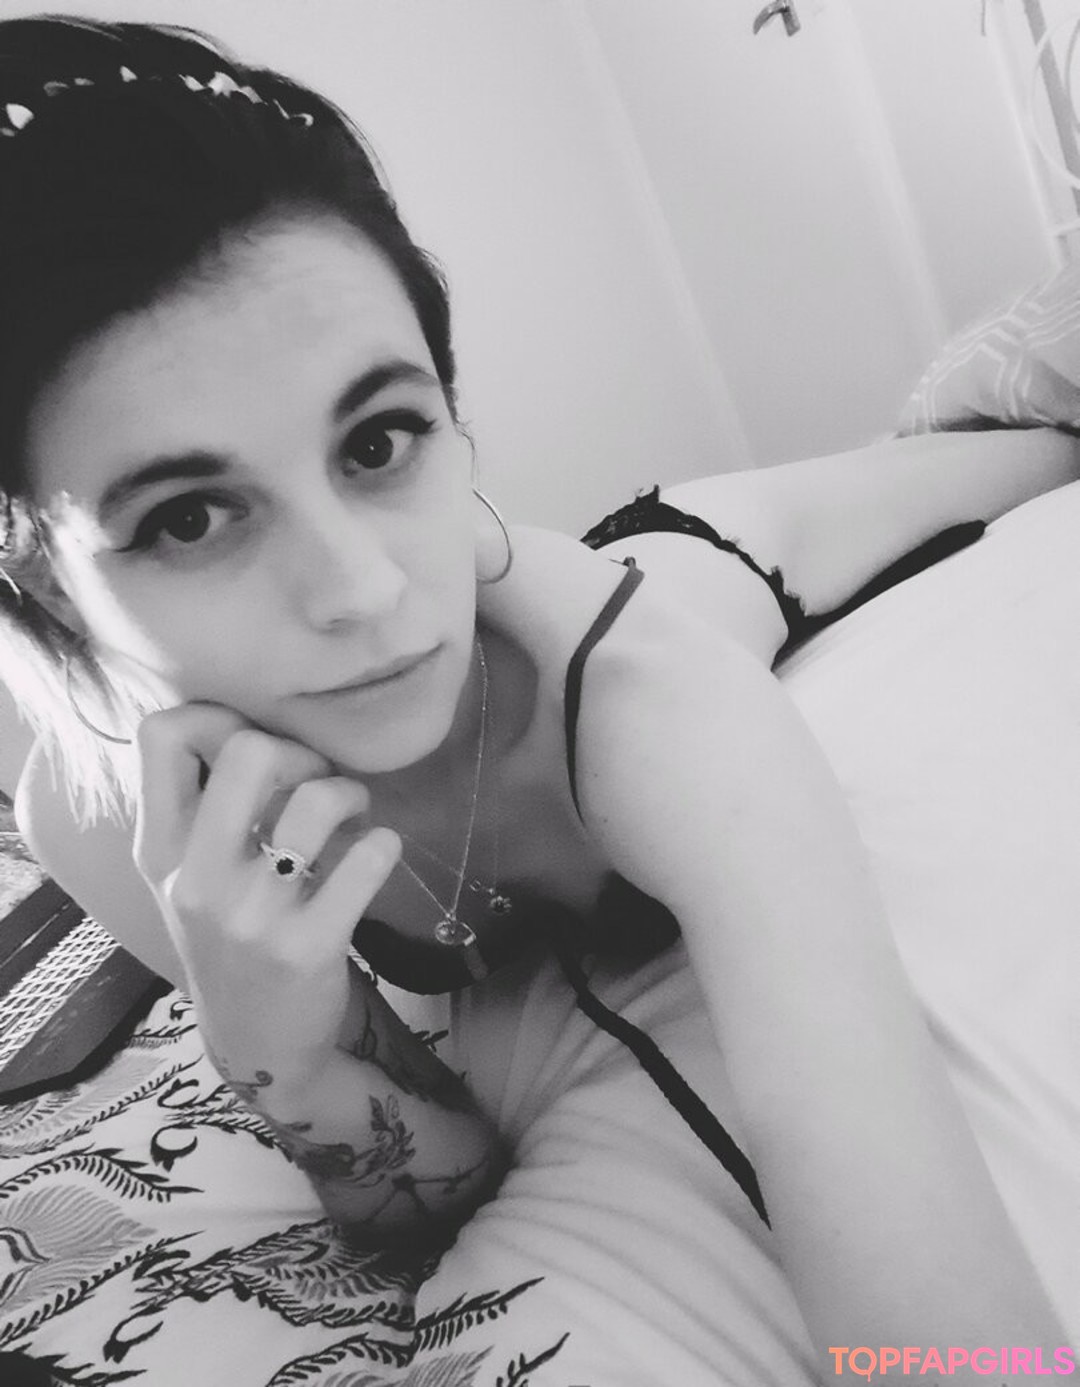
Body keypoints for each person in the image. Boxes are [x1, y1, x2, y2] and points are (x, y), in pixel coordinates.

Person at [0, 15, 1073, 1381]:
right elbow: (429, 1183)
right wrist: (282, 1057)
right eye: (192, 516)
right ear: (39, 580)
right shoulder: (102, 822)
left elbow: (948, 1339)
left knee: (1019, 435)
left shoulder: (660, 715)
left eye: (380, 439)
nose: (365, 589)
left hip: (706, 558)